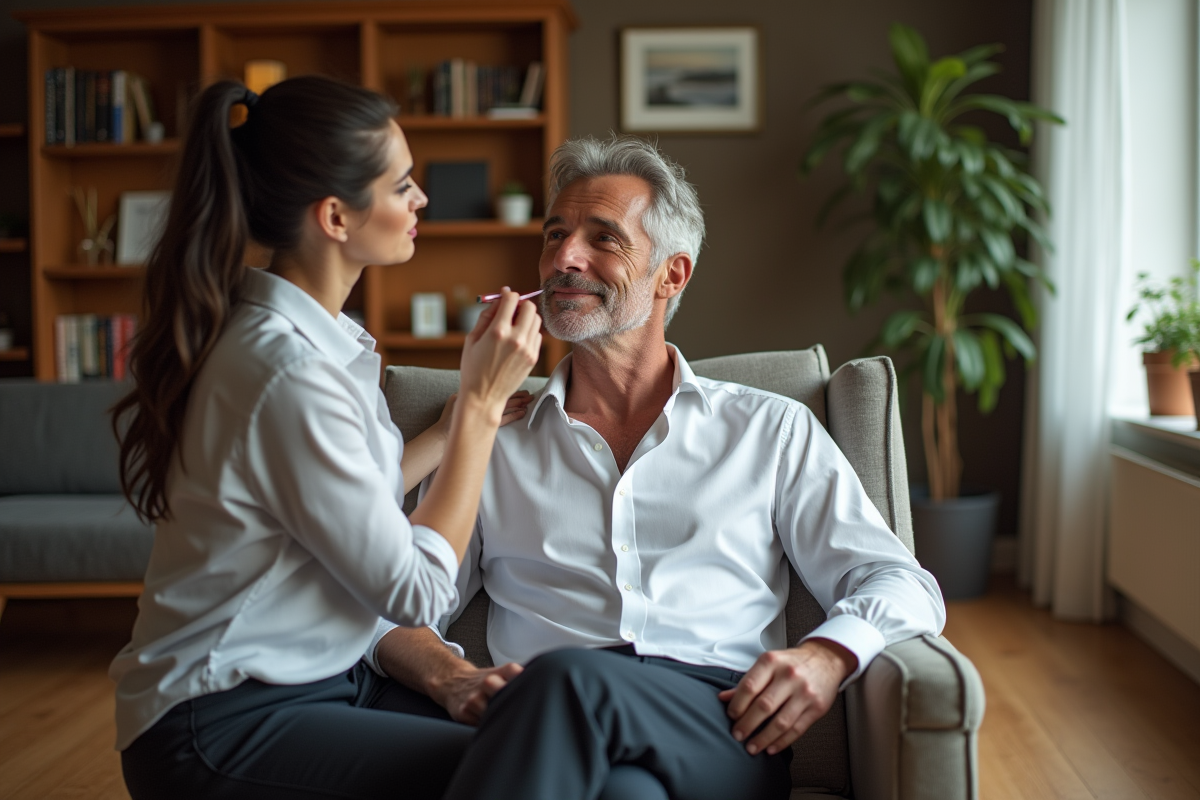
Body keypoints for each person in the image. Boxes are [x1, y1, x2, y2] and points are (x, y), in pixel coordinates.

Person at [373, 135, 947, 800]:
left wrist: (829, 653)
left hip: (718, 723)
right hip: (538, 723)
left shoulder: (771, 430)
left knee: (566, 678)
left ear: (671, 275)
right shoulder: (491, 439)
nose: (564, 258)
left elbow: (901, 581)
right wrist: (451, 674)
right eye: (554, 235)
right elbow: (392, 602)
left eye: (603, 238)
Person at [108, 75, 543, 800]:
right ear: (336, 217)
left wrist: (450, 430)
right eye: (401, 185)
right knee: (524, 767)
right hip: (217, 720)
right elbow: (415, 591)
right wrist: (477, 408)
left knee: (535, 733)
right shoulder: (289, 372)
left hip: (319, 681)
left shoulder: (311, 344)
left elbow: (339, 503)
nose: (421, 199)